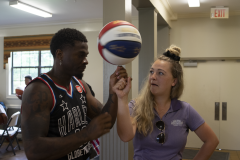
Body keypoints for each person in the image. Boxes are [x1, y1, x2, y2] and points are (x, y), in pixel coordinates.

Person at [21, 28, 130, 160]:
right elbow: (33, 150)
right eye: (80, 55)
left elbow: (106, 121)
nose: (86, 61)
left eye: (86, 55)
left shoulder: (80, 85)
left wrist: (113, 92)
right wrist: (86, 134)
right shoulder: (39, 90)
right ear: (60, 54)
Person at [116, 45, 219, 160]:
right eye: (151, 72)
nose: (153, 77)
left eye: (160, 73)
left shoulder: (185, 110)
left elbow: (211, 140)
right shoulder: (135, 106)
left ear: (174, 81)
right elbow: (125, 136)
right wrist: (122, 99)